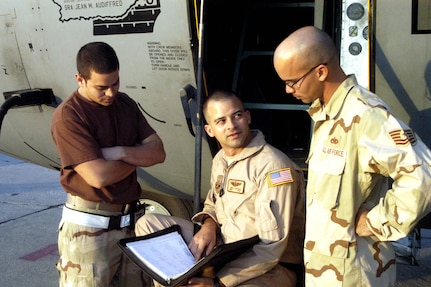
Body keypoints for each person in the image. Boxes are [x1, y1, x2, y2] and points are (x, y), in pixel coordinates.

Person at [273, 26, 431, 286]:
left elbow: (423, 176)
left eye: (292, 82)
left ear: (321, 71)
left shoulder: (365, 115)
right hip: (326, 270)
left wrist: (377, 222)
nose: (288, 90)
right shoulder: (326, 113)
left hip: (354, 275)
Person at [135, 90, 305, 287]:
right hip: (222, 251)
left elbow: (271, 248)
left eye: (237, 116)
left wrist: (218, 283)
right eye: (221, 121)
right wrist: (209, 224)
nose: (231, 126)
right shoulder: (221, 159)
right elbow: (212, 203)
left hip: (266, 267)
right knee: (148, 223)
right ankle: (176, 280)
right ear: (209, 130)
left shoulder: (274, 167)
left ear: (248, 117)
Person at [51, 41, 166, 287]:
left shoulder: (125, 104)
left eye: (115, 83)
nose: (111, 93)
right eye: (102, 87)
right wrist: (137, 157)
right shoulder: (69, 116)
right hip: (89, 234)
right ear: (80, 79)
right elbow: (98, 176)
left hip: (130, 227)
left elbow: (158, 152)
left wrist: (120, 152)